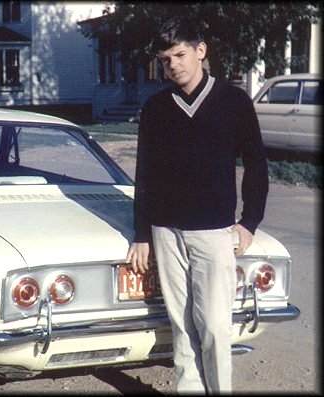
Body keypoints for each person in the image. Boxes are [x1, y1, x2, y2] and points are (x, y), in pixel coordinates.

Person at [125, 16, 269, 394]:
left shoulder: (233, 101)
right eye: (166, 58)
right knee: (181, 324)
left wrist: (250, 221)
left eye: (180, 54)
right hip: (166, 231)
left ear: (201, 52)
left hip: (213, 231)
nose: (173, 64)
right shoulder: (156, 107)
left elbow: (256, 163)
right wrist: (142, 232)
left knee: (215, 327)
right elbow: (146, 173)